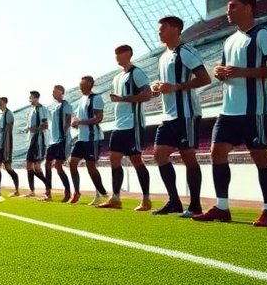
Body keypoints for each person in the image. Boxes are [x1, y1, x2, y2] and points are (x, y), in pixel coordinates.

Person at [194, 0, 267, 226]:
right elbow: (224, 68)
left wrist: (244, 72)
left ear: (248, 8)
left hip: (254, 111)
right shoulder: (230, 39)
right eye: (228, 7)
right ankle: (222, 207)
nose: (228, 11)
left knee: (260, 158)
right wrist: (219, 72)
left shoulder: (263, 36)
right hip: (229, 110)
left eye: (233, 7)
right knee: (216, 154)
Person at [149, 16, 211, 217]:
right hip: (168, 115)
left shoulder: (186, 51)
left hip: (186, 114)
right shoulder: (163, 56)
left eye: (163, 28)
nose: (159, 32)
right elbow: (166, 82)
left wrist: (178, 86)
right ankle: (174, 201)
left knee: (188, 157)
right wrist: (157, 87)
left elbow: (204, 78)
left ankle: (195, 206)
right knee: (159, 155)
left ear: (175, 29)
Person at [100, 45, 153, 210]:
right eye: (115, 53)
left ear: (128, 54)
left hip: (133, 124)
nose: (116, 56)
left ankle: (146, 199)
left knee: (136, 159)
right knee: (114, 159)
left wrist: (122, 98)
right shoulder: (117, 77)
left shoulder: (136, 73)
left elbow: (148, 94)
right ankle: (115, 198)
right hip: (119, 124)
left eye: (119, 53)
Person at [67, 76, 108, 205]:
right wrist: (74, 121)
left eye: (83, 85)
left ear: (90, 84)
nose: (81, 88)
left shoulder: (96, 98)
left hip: (92, 137)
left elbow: (98, 118)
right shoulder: (81, 99)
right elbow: (75, 115)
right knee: (72, 163)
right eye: (80, 85)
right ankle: (77, 193)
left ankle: (102, 194)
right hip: (81, 137)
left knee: (91, 167)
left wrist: (80, 122)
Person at [0, 96, 21, 196]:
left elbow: (8, 129)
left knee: (8, 167)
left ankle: (17, 190)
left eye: (0, 103)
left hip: (5, 145)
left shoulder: (9, 114)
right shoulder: (0, 116)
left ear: (5, 103)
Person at [43, 84, 71, 202]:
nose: (52, 94)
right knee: (47, 164)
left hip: (61, 140)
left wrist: (63, 137)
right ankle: (48, 192)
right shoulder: (54, 107)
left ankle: (68, 191)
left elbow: (68, 122)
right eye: (52, 92)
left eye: (55, 91)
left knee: (58, 167)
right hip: (52, 141)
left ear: (61, 92)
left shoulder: (66, 105)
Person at [23, 91, 49, 198]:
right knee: (32, 166)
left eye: (31, 97)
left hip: (38, 139)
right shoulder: (32, 110)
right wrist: (28, 129)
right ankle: (34, 190)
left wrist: (33, 129)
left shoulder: (42, 109)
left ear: (36, 98)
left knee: (33, 166)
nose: (29, 99)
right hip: (32, 139)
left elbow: (45, 125)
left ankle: (47, 186)